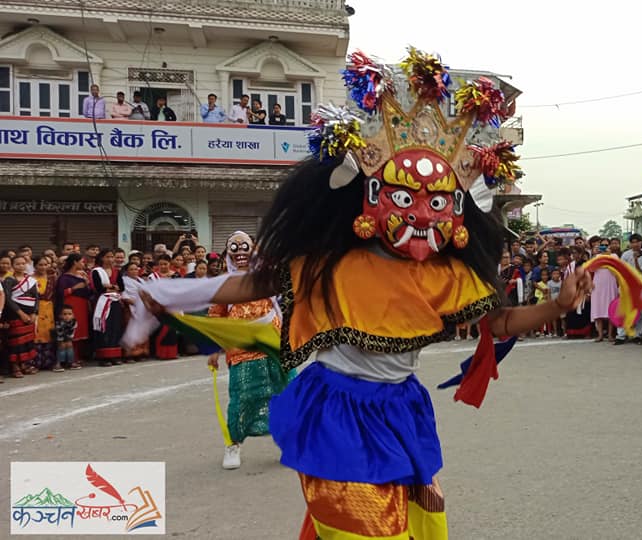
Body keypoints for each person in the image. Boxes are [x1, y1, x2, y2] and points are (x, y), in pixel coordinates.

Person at [127, 47, 595, 540]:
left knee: (408, 524)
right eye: (404, 197)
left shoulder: (449, 276)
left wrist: (559, 304)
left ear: (457, 212)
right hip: (337, 412)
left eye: (437, 202)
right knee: (364, 528)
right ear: (371, 199)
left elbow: (496, 323)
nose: (420, 214)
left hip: (401, 411)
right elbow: (255, 283)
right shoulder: (334, 263)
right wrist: (172, 295)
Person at [207, 231, 292, 469]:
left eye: (245, 249)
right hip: (242, 348)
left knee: (283, 394)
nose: (240, 254)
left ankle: (287, 443)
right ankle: (233, 444)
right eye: (235, 250)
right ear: (228, 255)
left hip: (274, 345)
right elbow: (216, 317)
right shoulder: (223, 284)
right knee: (243, 397)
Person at [3, 255, 39, 377]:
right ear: (13, 266)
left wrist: (34, 313)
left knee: (27, 341)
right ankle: (15, 366)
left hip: (29, 314)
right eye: (17, 264)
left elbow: (36, 297)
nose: (21, 266)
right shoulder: (9, 280)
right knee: (16, 341)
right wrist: (21, 313)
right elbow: (7, 299)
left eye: (23, 263)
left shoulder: (31, 280)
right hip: (15, 314)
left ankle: (24, 364)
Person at [56, 253, 92, 367]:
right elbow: (60, 293)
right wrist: (74, 288)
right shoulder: (64, 277)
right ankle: (68, 360)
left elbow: (88, 293)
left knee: (80, 330)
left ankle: (77, 357)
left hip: (82, 305)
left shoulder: (82, 276)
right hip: (70, 305)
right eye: (81, 261)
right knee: (70, 331)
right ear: (75, 262)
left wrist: (87, 284)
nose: (83, 264)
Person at [92, 249, 125, 367]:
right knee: (104, 328)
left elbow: (121, 287)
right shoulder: (97, 271)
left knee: (115, 327)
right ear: (102, 258)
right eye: (108, 257)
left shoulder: (116, 272)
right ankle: (104, 356)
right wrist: (112, 287)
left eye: (112, 257)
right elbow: (99, 288)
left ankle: (114, 355)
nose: (110, 259)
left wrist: (110, 287)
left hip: (115, 302)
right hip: (102, 303)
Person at [33, 256, 57, 370]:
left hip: (49, 309)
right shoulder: (30, 279)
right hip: (36, 309)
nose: (43, 267)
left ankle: (48, 362)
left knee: (48, 334)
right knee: (36, 334)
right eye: (40, 265)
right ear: (35, 266)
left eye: (45, 265)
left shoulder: (52, 278)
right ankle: (36, 363)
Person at [54, 305, 79, 371]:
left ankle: (71, 362)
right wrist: (61, 341)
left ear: (73, 315)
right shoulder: (58, 323)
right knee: (61, 346)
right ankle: (58, 363)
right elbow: (59, 333)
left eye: (69, 314)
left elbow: (72, 332)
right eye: (64, 314)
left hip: (68, 337)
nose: (67, 316)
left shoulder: (74, 322)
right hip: (59, 338)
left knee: (69, 345)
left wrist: (68, 340)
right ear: (60, 315)